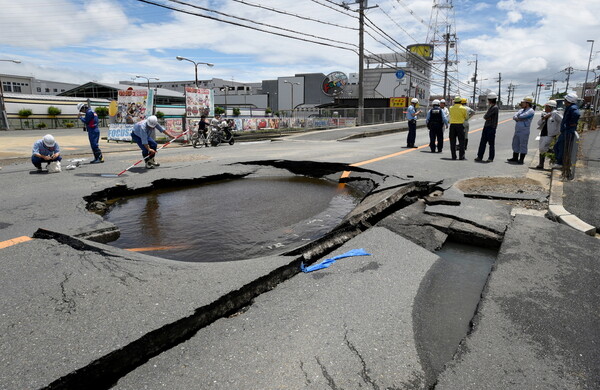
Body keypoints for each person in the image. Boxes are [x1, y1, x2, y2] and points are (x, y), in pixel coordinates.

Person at [553, 92, 580, 168]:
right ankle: (560, 162)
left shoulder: (572, 108)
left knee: (561, 147)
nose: (564, 101)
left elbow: (576, 114)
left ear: (569, 100)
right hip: (566, 130)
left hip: (568, 131)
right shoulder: (570, 107)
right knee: (558, 146)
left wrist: (572, 123)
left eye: (565, 99)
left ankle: (560, 163)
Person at [535, 100, 562, 169]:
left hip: (550, 134)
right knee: (541, 149)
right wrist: (544, 118)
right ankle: (541, 164)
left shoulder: (556, 114)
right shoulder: (545, 114)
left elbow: (562, 121)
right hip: (543, 133)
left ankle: (556, 153)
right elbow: (539, 123)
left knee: (543, 148)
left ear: (550, 107)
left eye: (546, 106)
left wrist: (558, 130)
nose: (545, 108)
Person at [507, 96, 535, 165]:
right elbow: (514, 117)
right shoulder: (521, 110)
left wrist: (518, 117)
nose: (521, 104)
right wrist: (518, 117)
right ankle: (515, 157)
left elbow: (522, 116)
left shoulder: (531, 111)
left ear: (527, 103)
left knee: (523, 144)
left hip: (524, 130)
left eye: (523, 102)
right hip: (518, 129)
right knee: (515, 143)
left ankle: (521, 159)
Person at [475, 92, 499, 162]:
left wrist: (487, 117)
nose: (488, 101)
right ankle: (479, 156)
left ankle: (490, 158)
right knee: (482, 142)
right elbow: (486, 117)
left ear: (491, 100)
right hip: (487, 127)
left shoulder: (494, 108)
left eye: (488, 100)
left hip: (491, 127)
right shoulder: (492, 107)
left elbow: (486, 116)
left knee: (491, 144)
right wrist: (487, 117)